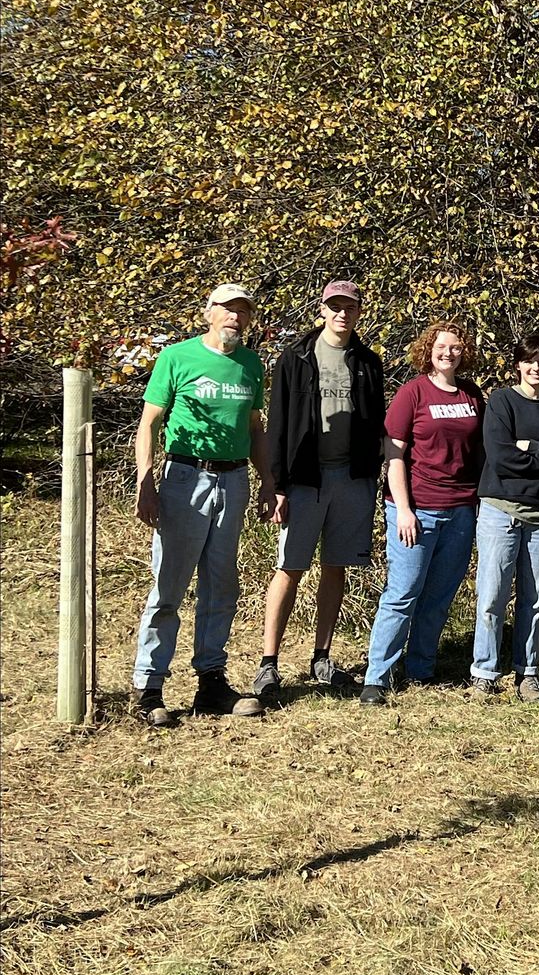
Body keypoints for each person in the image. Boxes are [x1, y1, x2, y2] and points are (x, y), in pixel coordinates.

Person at [131, 283, 274, 726]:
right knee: (169, 586)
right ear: (208, 313)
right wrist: (145, 482)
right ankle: (149, 687)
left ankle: (210, 681)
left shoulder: (252, 365)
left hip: (232, 479)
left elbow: (254, 428)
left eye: (243, 312)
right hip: (184, 477)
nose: (235, 318)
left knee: (221, 583)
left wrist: (268, 480)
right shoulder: (177, 357)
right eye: (228, 310)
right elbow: (149, 424)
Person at [253, 281, 385, 705]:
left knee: (335, 566)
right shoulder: (295, 358)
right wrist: (273, 484)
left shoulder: (368, 362)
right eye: (335, 306)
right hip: (305, 479)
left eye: (350, 307)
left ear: (359, 312)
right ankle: (268, 663)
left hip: (353, 479)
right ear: (322, 311)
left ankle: (321, 658)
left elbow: (376, 423)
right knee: (290, 567)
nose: (342, 314)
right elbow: (277, 424)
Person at [360, 321, 485, 705]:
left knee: (439, 594)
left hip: (461, 509)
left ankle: (421, 667)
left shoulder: (472, 395)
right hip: (416, 510)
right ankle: (376, 677)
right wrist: (404, 510)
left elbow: (480, 451)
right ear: (428, 349)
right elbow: (394, 455)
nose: (449, 353)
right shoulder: (411, 393)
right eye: (442, 346)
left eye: (457, 347)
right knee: (402, 592)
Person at [471, 333, 539, 701]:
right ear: (518, 364)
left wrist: (528, 447)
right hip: (501, 511)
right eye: (530, 360)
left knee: (535, 600)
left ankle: (528, 671)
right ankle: (485, 670)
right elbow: (500, 457)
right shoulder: (501, 401)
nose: (537, 367)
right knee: (492, 595)